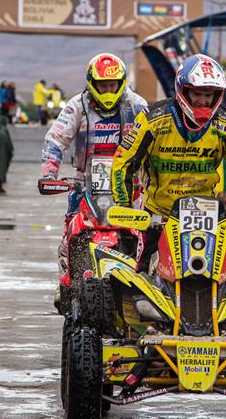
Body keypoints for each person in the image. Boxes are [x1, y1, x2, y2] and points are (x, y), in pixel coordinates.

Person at [111, 54, 226, 271]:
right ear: (184, 90)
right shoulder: (152, 117)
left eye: (209, 95)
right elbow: (123, 161)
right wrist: (125, 206)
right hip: (159, 217)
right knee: (138, 276)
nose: (203, 101)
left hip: (207, 216)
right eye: (197, 94)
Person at [40, 53, 147, 286]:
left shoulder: (138, 105)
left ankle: (146, 281)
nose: (108, 90)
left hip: (129, 186)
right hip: (84, 183)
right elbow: (56, 139)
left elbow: (156, 141)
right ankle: (67, 284)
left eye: (112, 85)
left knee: (148, 234)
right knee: (70, 232)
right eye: (103, 85)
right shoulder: (77, 105)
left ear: (121, 83)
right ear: (92, 83)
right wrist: (49, 172)